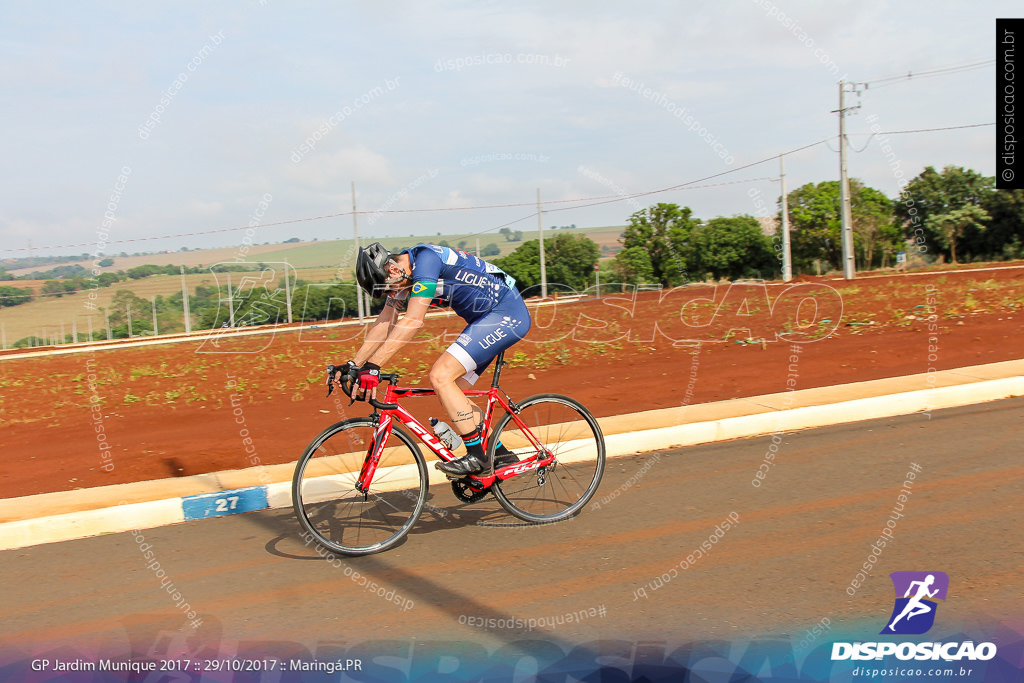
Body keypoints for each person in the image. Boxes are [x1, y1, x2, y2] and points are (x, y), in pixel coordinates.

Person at [338, 242, 532, 476]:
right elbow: (386, 320)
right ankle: (499, 454)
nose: (392, 296)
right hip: (484, 321)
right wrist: (354, 364)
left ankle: (476, 458)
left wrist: (375, 366)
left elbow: (413, 320)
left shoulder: (426, 260)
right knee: (452, 393)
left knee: (441, 375)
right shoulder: (404, 275)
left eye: (388, 290)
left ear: (392, 270)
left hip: (505, 314)